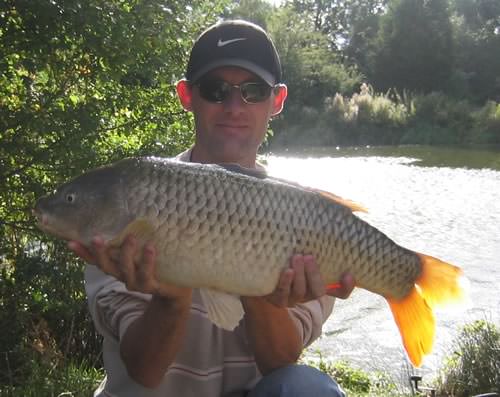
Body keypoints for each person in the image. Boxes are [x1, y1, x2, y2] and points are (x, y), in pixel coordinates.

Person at [70, 19, 355, 397]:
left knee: (307, 389)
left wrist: (259, 285)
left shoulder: (304, 216)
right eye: (215, 89)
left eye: (253, 91)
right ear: (187, 95)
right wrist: (171, 299)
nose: (234, 106)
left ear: (278, 100)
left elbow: (280, 362)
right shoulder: (130, 197)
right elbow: (143, 369)